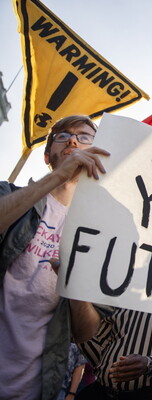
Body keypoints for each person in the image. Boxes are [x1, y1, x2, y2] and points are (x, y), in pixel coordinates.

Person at [0, 115, 111, 400]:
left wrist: (74, 286)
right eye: (63, 136)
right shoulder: (10, 195)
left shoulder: (97, 238)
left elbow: (85, 333)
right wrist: (58, 177)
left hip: (40, 387)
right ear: (48, 155)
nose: (73, 140)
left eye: (85, 137)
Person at [74, 307, 152, 400]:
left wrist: (149, 363)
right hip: (100, 391)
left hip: (143, 395)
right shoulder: (124, 292)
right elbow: (101, 345)